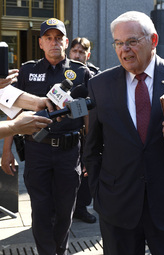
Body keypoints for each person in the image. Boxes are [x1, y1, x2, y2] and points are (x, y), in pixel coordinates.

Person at [83, 11, 164, 255]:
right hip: (118, 207)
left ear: (154, 40)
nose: (124, 49)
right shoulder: (99, 84)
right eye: (118, 43)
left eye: (132, 41)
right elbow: (92, 148)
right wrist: (99, 195)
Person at [1, 18, 91, 255]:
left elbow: (90, 117)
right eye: (48, 38)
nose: (54, 42)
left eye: (59, 38)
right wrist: (6, 151)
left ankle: (59, 251)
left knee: (64, 211)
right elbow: (14, 112)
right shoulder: (27, 71)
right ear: (40, 43)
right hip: (36, 150)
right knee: (40, 210)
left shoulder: (81, 72)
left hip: (70, 152)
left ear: (66, 41)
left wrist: (90, 154)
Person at [68, 37, 98, 224]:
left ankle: (81, 208)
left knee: (87, 172)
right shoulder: (62, 71)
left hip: (89, 132)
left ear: (87, 55)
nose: (77, 55)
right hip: (67, 131)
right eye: (74, 51)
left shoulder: (94, 74)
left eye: (81, 52)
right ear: (69, 52)